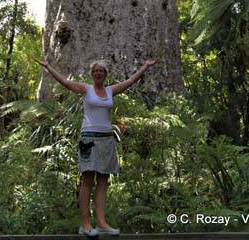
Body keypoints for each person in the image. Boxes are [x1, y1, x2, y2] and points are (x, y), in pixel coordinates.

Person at [36, 58, 158, 236]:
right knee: (87, 181)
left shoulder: (110, 91)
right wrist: (48, 67)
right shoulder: (86, 89)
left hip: (106, 140)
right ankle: (85, 224)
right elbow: (65, 82)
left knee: (103, 181)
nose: (98, 73)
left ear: (105, 74)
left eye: (101, 71)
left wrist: (145, 66)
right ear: (92, 74)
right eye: (96, 71)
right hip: (88, 139)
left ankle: (101, 222)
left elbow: (130, 81)